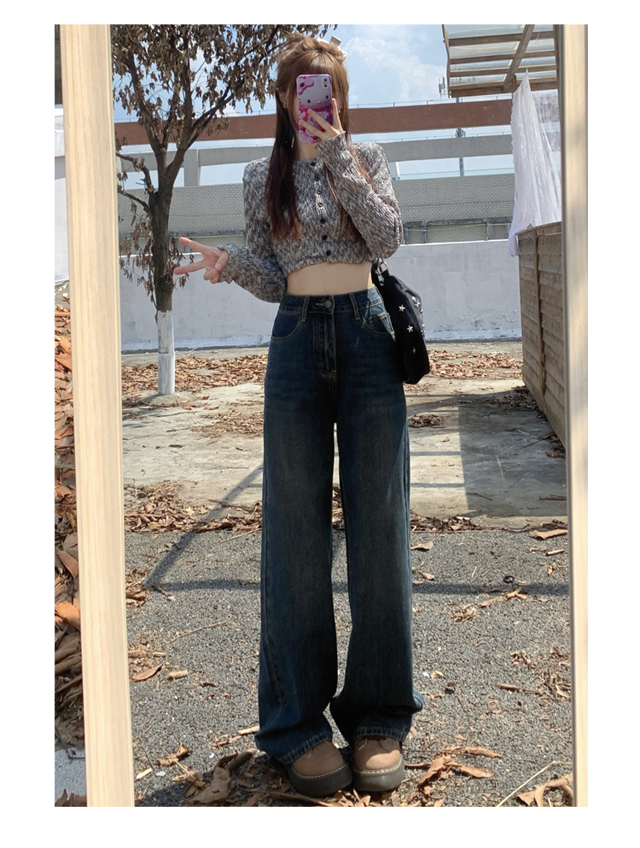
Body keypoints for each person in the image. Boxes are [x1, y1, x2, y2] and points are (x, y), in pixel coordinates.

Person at [174, 34, 423, 797]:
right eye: (306, 89)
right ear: (284, 97)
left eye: (330, 89)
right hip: (296, 343)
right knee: (293, 535)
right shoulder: (262, 177)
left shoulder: (366, 157)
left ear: (339, 97)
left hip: (369, 339)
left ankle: (379, 715)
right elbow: (273, 274)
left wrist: (339, 154)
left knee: (380, 528)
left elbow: (386, 238)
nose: (318, 101)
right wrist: (228, 265)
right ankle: (296, 724)